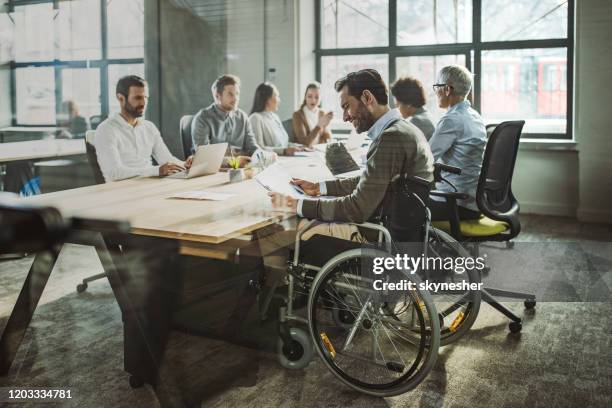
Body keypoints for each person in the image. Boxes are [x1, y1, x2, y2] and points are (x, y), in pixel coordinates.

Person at [269, 69, 434, 242]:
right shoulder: (404, 130)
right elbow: (369, 181)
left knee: (276, 233)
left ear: (367, 98)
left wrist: (296, 204)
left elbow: (356, 208)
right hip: (398, 229)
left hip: (378, 236)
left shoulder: (391, 138)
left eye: (347, 106)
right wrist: (320, 188)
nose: (345, 117)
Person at [94, 75, 191, 182]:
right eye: (138, 98)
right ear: (121, 98)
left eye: (146, 97)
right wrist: (156, 171)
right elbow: (114, 173)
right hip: (121, 190)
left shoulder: (149, 127)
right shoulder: (106, 129)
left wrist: (186, 164)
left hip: (150, 184)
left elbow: (167, 160)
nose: (144, 103)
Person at [428, 65, 486, 221]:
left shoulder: (452, 119)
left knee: (400, 204)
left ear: (447, 89)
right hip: (475, 203)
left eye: (437, 87)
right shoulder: (475, 116)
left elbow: (425, 158)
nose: (436, 92)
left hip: (454, 204)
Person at [191, 74, 260, 158]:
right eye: (230, 94)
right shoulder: (202, 118)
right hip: (213, 170)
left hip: (241, 169)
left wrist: (265, 156)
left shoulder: (243, 117)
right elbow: (204, 156)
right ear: (217, 96)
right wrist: (235, 161)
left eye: (237, 94)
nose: (235, 98)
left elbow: (252, 148)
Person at [249, 82, 302, 156]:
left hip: (286, 160)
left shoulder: (275, 117)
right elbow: (258, 148)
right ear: (267, 99)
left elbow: (283, 144)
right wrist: (283, 151)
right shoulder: (255, 118)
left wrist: (298, 147)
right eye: (277, 96)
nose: (279, 100)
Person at [292, 82, 333, 147]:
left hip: (317, 152)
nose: (313, 100)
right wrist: (319, 125)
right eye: (309, 96)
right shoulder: (297, 115)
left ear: (320, 99)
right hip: (303, 153)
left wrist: (326, 129)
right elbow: (304, 143)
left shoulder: (321, 113)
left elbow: (327, 138)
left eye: (316, 97)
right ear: (305, 97)